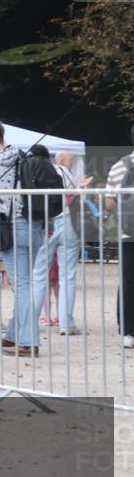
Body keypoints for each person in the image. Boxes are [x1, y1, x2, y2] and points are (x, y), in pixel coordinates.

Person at [0, 119, 44, 357]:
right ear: (2, 135)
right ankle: (15, 335)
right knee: (26, 283)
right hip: (34, 224)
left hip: (8, 229)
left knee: (22, 285)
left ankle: (28, 341)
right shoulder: (22, 155)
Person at [32, 150, 86, 336]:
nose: (71, 162)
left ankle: (31, 321)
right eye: (70, 159)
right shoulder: (64, 172)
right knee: (67, 275)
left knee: (38, 274)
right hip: (67, 221)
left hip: (45, 223)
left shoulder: (34, 172)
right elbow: (75, 194)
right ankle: (66, 322)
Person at [104, 124, 134, 350]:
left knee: (127, 280)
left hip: (128, 231)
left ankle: (127, 331)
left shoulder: (119, 166)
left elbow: (109, 202)